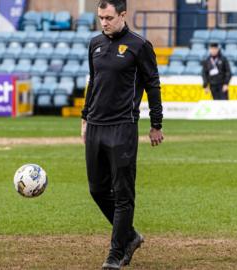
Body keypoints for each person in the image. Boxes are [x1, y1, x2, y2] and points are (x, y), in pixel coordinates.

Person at [80, 0, 164, 269]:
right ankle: (130, 236)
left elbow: (153, 84)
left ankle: (116, 254)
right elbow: (93, 82)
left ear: (123, 15)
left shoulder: (140, 45)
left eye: (108, 17)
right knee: (97, 190)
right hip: (95, 126)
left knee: (124, 192)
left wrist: (156, 124)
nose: (103, 23)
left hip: (122, 127)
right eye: (100, 18)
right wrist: (84, 117)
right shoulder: (94, 44)